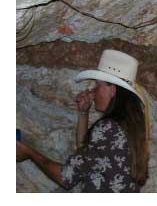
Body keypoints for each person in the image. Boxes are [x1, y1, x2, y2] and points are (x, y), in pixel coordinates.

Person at [16, 49, 149, 192]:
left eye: (98, 85)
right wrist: (83, 113)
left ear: (113, 90)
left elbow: (66, 177)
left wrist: (29, 153)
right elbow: (86, 152)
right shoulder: (132, 125)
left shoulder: (108, 127)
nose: (93, 91)